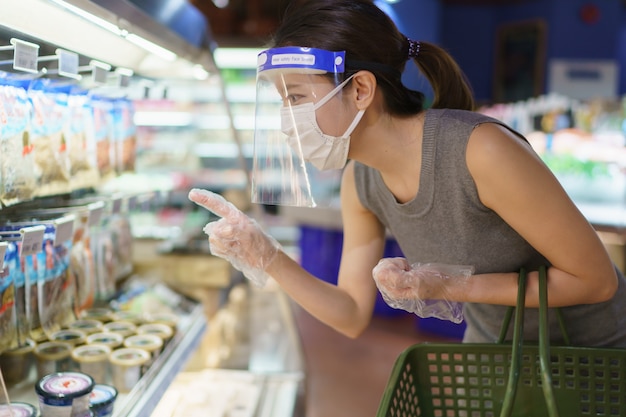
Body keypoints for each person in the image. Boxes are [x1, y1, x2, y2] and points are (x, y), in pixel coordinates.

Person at [189, 0, 626, 347]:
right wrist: (267, 256)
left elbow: (596, 281)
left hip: (591, 360)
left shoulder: (480, 151)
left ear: (360, 89)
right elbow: (351, 314)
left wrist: (448, 287)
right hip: (500, 358)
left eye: (297, 97)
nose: (288, 120)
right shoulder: (360, 182)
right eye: (283, 100)